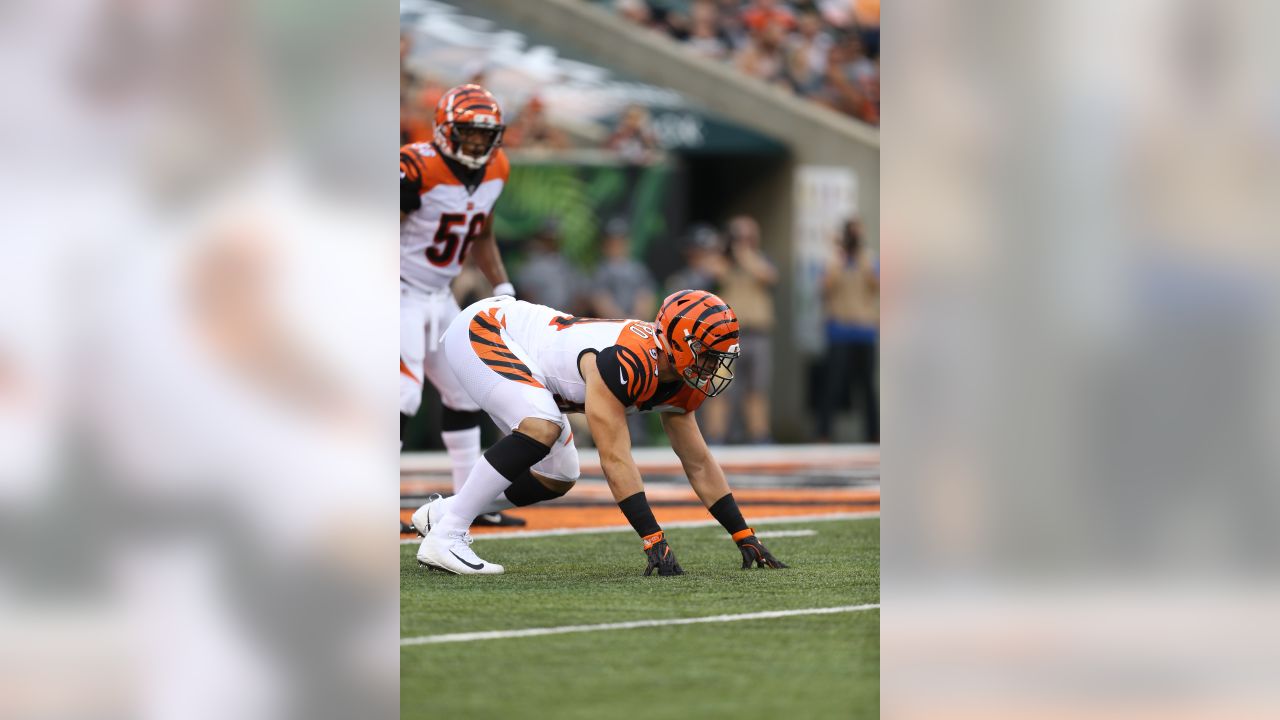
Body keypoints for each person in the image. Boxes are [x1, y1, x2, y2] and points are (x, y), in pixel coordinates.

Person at [411, 290, 789, 575]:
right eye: (708, 354)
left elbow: (699, 462)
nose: (714, 366)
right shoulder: (627, 361)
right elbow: (615, 457)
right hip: (489, 328)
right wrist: (653, 539)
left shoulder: (680, 376)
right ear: (678, 342)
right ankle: (448, 536)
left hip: (526, 352)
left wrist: (744, 534)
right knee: (542, 427)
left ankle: (442, 515)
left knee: (560, 475)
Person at [400, 83, 525, 528]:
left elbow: (482, 232)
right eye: (467, 132)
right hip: (398, 291)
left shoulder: (497, 168)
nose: (476, 142)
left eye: (482, 134)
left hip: (439, 294)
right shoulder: (416, 166)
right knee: (400, 396)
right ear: (444, 129)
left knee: (465, 390)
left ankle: (469, 505)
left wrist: (502, 285)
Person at [700, 215, 777, 444]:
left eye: (748, 236)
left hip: (758, 334)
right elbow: (710, 275)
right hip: (726, 336)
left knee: (757, 387)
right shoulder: (720, 262)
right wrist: (725, 252)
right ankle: (715, 435)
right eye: (738, 236)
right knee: (719, 385)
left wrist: (745, 255)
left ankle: (759, 435)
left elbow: (769, 277)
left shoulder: (760, 260)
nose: (743, 240)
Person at [817, 219, 879, 442]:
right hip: (840, 330)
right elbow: (824, 287)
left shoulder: (869, 258)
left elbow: (876, 285)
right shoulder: (834, 259)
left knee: (868, 386)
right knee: (833, 383)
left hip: (864, 330)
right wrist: (838, 258)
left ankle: (873, 433)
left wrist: (862, 258)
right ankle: (823, 433)